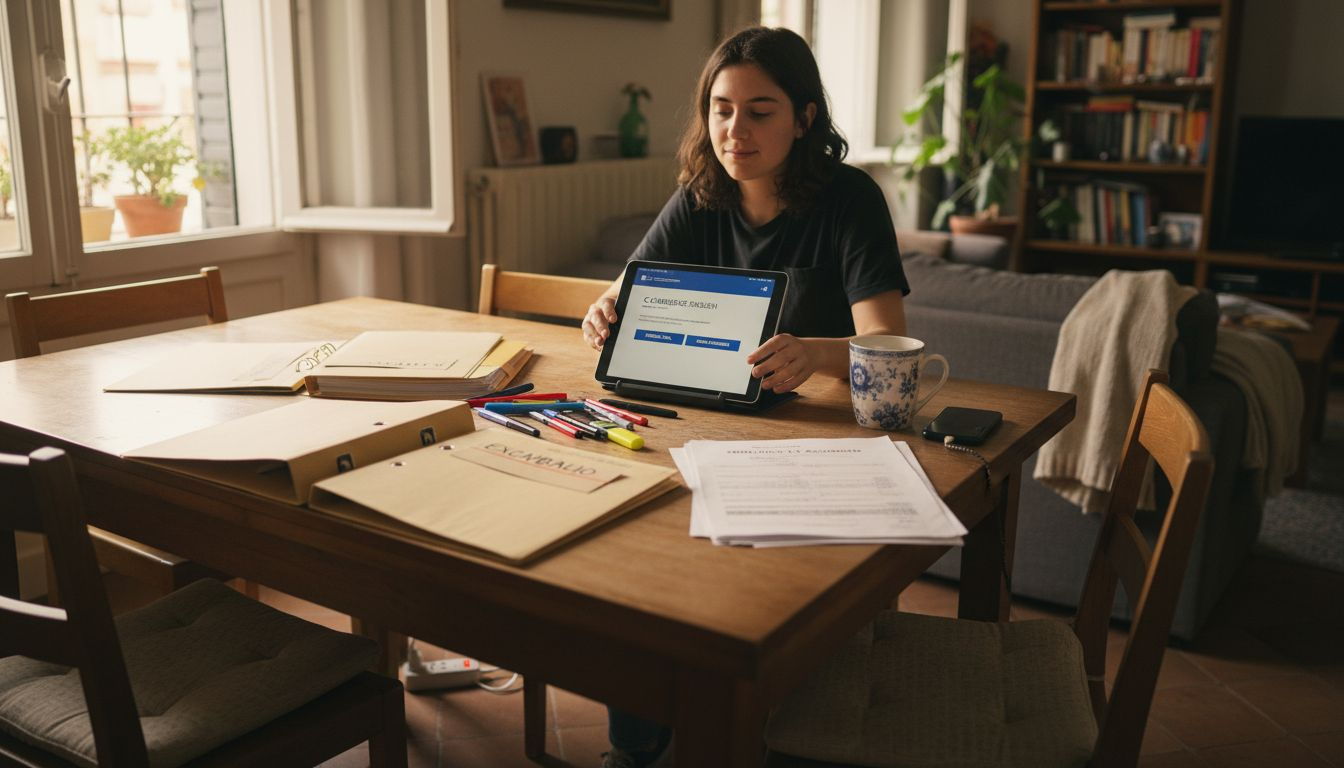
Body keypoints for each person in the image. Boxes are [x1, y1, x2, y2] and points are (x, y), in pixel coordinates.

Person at [582, 25, 910, 768]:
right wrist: (605, 306)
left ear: (806, 117)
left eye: (760, 111)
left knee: (728, 590)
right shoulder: (701, 193)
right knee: (630, 565)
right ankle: (636, 749)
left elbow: (888, 343)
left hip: (812, 451)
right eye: (722, 109)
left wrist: (815, 353)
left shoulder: (851, 200)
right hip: (704, 426)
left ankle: (733, 726)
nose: (736, 131)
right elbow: (629, 285)